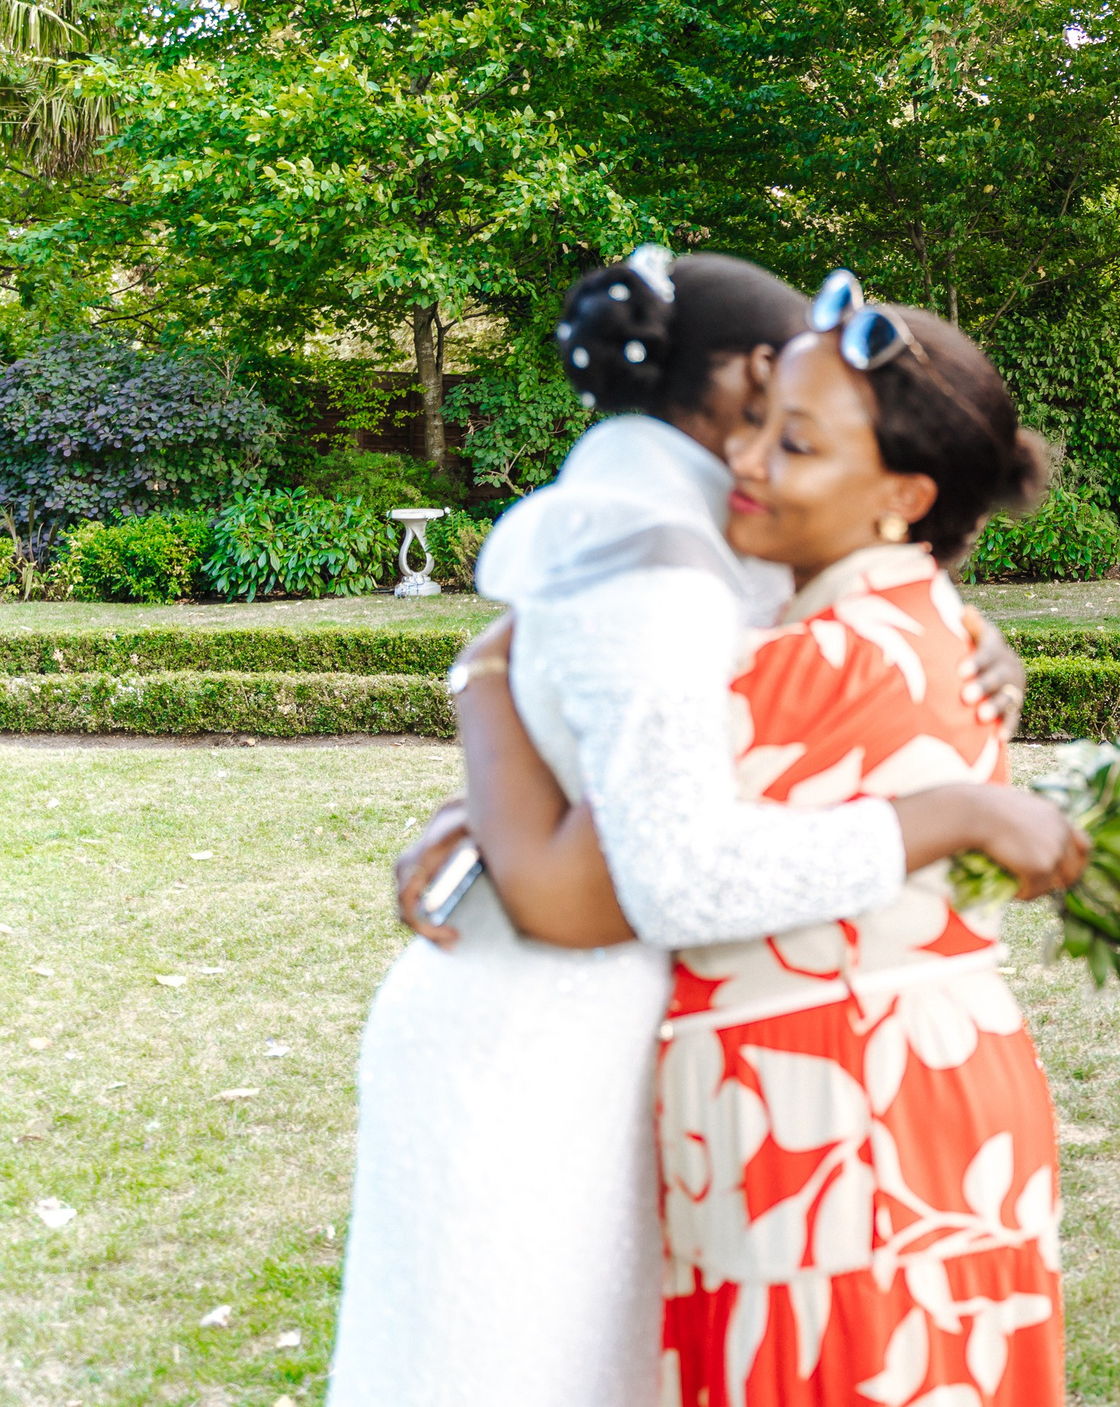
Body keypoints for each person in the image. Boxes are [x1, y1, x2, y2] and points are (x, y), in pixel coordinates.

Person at [336, 251, 1075, 1407]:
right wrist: (491, 697)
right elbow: (621, 844)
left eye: (794, 436)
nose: (753, 458)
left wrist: (494, 703)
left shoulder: (721, 563)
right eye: (766, 421)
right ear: (738, 380)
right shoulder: (664, 555)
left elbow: (664, 789)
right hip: (577, 1040)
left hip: (797, 1088)